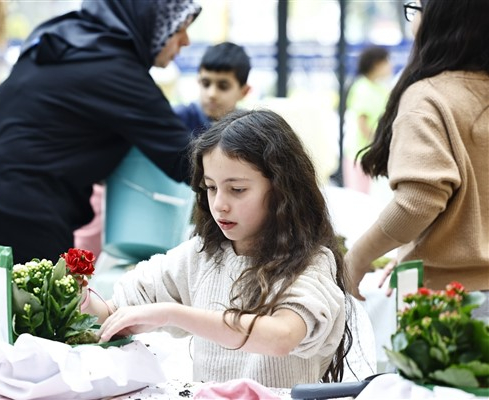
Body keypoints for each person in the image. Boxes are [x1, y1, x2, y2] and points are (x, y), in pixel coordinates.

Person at [0, 0, 202, 345]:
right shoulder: (116, 69)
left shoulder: (60, 38)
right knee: (37, 345)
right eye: (179, 28)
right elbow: (185, 158)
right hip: (24, 216)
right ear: (150, 21)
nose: (185, 41)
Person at [83, 109, 352, 387]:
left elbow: (281, 336)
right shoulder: (201, 255)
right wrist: (77, 295)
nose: (220, 204)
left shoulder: (310, 262)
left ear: (281, 189)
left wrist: (171, 313)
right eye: (210, 188)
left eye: (237, 189)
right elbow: (112, 313)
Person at [346, 0, 489, 318]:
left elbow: (419, 202)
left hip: (448, 303)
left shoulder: (429, 96)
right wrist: (417, 248)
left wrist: (356, 259)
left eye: (415, 7)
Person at [343, 45, 392, 194]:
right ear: (376, 64)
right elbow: (362, 122)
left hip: (371, 154)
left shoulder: (380, 89)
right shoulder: (361, 87)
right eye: (387, 61)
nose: (390, 65)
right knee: (360, 199)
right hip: (359, 155)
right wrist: (378, 143)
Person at [174, 41, 251, 135]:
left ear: (244, 92)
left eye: (223, 86)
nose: (212, 94)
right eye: (206, 84)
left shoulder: (249, 129)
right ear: (198, 81)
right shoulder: (177, 119)